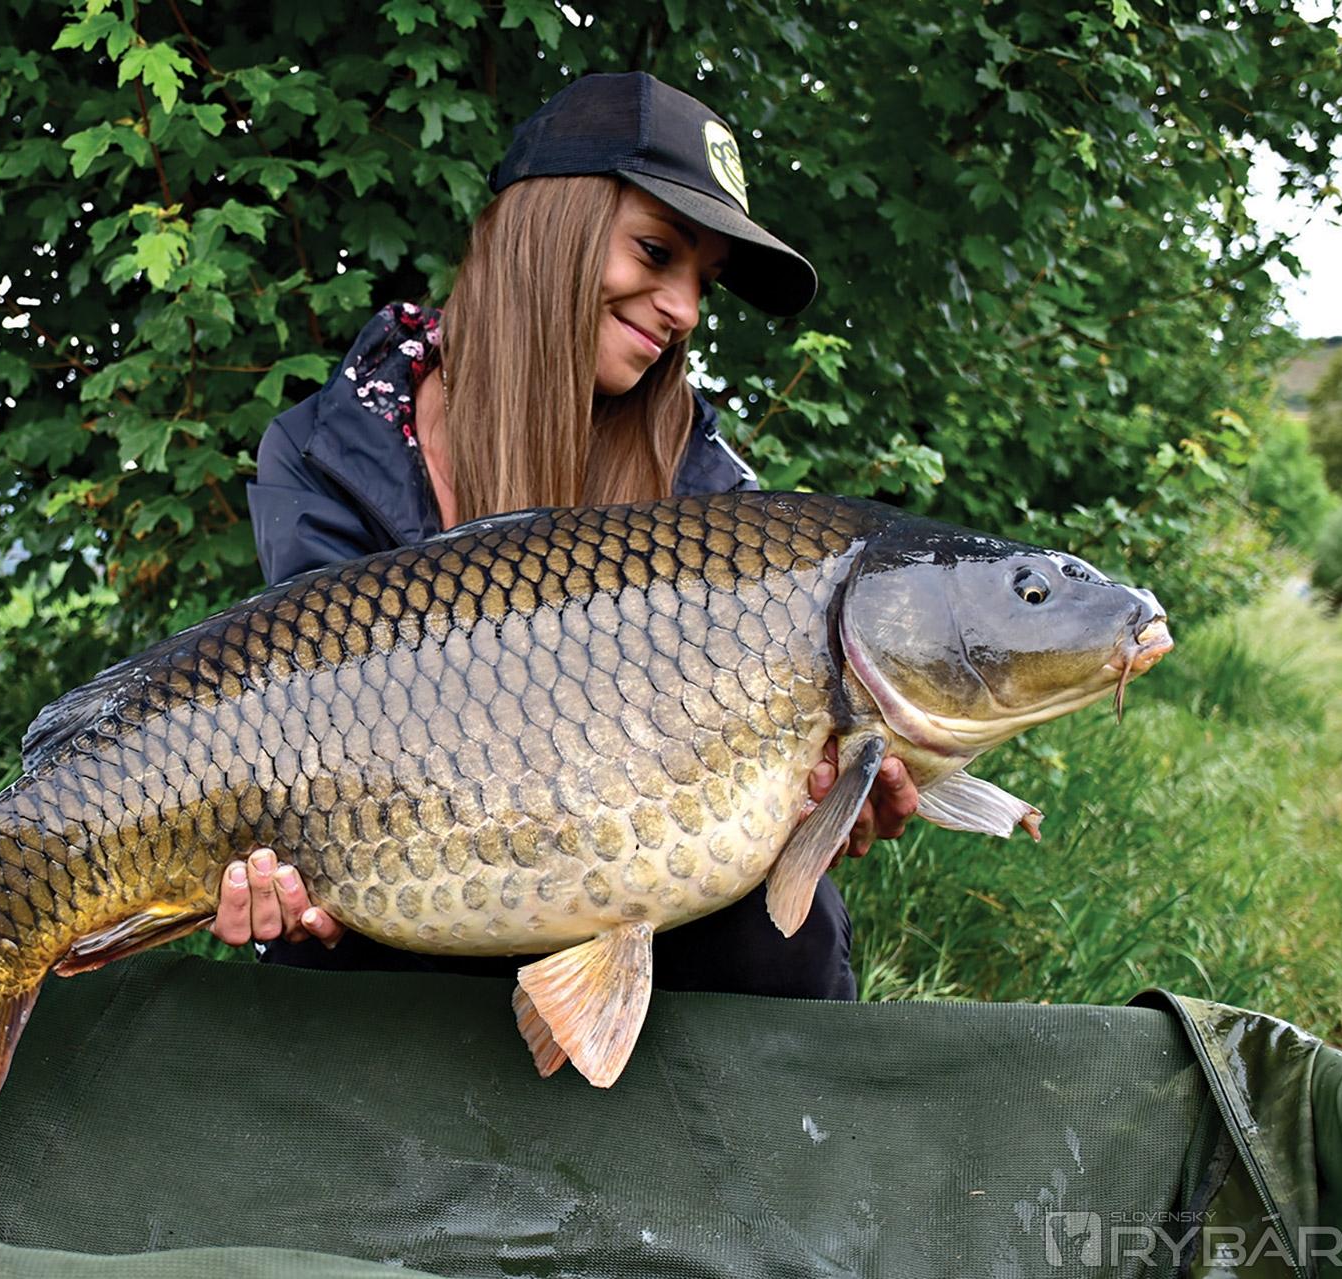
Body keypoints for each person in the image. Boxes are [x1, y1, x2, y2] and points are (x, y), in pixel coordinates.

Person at [216, 72, 917, 999]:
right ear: (548, 228)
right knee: (307, 933)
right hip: (406, 862)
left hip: (634, 863)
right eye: (657, 251)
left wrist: (822, 800)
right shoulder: (328, 450)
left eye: (703, 282)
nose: (685, 310)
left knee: (791, 928)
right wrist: (273, 873)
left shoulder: (709, 494)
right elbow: (298, 729)